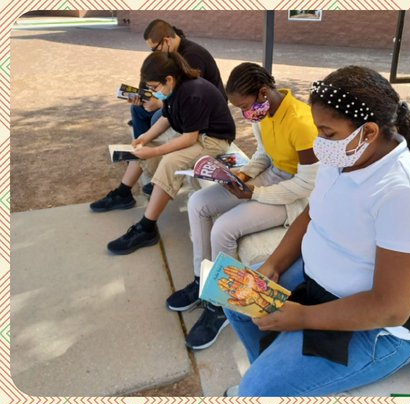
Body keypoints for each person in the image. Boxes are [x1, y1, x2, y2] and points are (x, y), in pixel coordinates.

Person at [225, 66, 410, 396]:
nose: (319, 143)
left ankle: (271, 382)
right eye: (318, 131)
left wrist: (303, 318)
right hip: (315, 279)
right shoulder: (343, 154)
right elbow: (313, 213)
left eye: (327, 133)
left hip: (378, 326)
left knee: (254, 390)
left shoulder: (405, 195)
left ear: (369, 132)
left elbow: (391, 308)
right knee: (235, 299)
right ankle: (275, 367)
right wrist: (273, 265)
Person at [169, 62, 318, 352]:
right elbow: (264, 155)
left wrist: (255, 193)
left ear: (264, 92)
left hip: (295, 197)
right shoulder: (261, 112)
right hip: (271, 177)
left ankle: (222, 305)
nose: (244, 114)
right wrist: (242, 175)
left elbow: (305, 186)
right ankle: (203, 281)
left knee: (224, 228)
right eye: (239, 108)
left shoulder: (301, 122)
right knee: (199, 202)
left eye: (245, 106)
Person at [98, 51, 237, 256]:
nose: (154, 92)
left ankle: (147, 228)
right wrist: (145, 138)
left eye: (154, 87)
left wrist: (153, 151)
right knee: (144, 148)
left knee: (170, 161)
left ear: (168, 79)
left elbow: (190, 138)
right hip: (196, 134)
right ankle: (123, 193)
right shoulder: (176, 89)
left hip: (214, 140)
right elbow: (165, 119)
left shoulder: (192, 92)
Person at [125, 20, 229, 146]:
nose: (155, 54)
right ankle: (140, 148)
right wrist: (143, 96)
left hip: (204, 110)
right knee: (137, 108)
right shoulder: (170, 54)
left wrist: (159, 103)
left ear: (167, 41)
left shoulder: (193, 56)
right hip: (176, 101)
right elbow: (154, 81)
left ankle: (153, 153)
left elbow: (189, 98)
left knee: (157, 118)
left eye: (155, 49)